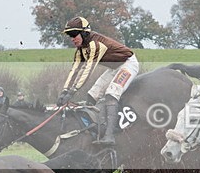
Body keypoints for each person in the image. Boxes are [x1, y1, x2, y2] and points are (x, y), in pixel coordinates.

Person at [58, 16, 140, 145]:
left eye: (74, 34)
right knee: (92, 95)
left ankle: (110, 135)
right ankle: (93, 130)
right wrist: (64, 91)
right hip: (115, 67)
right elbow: (74, 70)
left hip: (128, 64)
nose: (72, 39)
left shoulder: (95, 45)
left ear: (84, 33)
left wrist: (72, 92)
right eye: (70, 35)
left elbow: (87, 69)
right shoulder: (80, 50)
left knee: (111, 94)